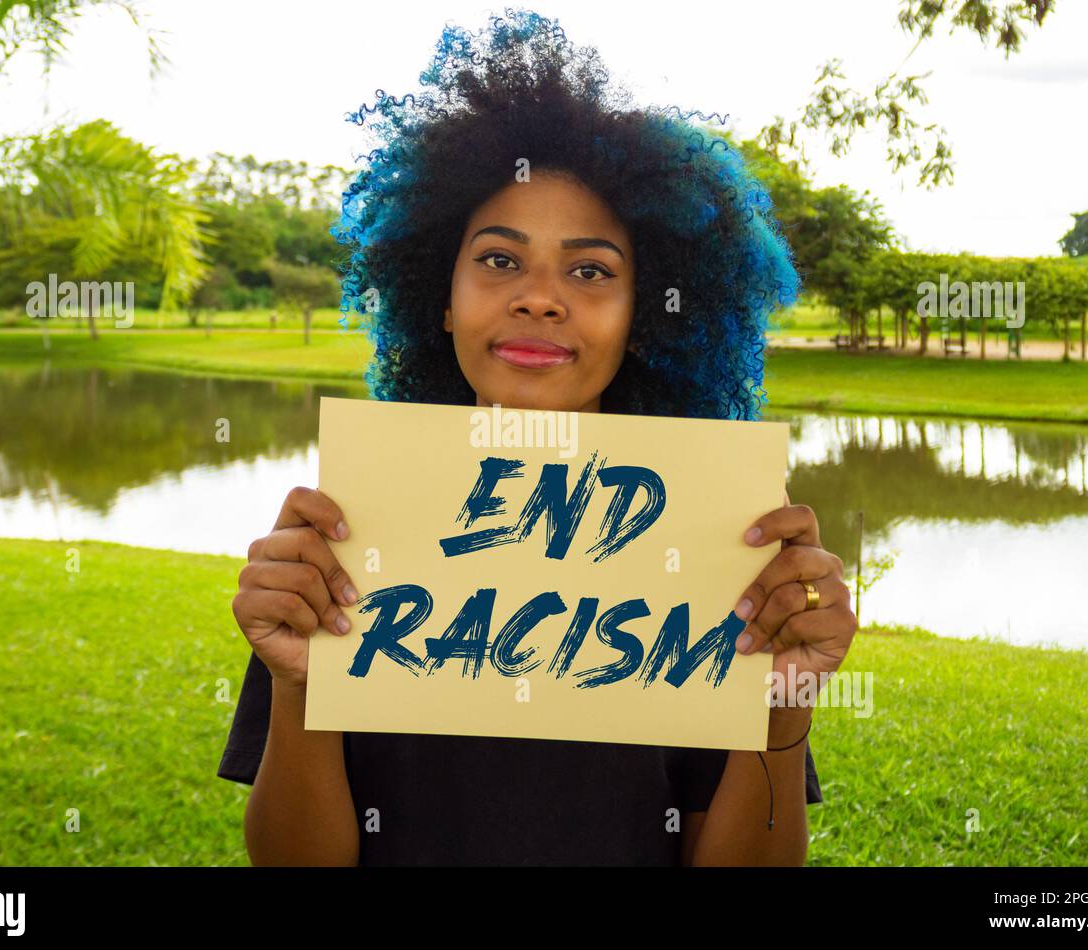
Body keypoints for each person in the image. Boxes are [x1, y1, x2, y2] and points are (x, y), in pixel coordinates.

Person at [218, 8, 857, 866]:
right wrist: (300, 688)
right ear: (438, 298)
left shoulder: (718, 548)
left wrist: (782, 712)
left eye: (591, 271)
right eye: (498, 259)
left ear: (645, 316)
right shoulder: (346, 534)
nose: (540, 298)